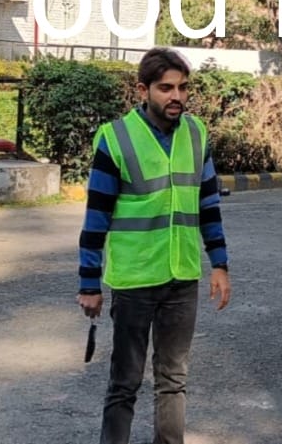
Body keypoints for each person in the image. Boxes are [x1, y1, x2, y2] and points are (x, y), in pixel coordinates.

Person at [77, 47, 231, 444]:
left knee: (173, 380)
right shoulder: (116, 139)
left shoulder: (197, 135)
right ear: (142, 90)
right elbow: (96, 218)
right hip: (134, 279)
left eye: (182, 87)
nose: (176, 96)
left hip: (183, 277)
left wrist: (219, 263)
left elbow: (209, 204)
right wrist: (89, 283)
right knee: (124, 382)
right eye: (166, 88)